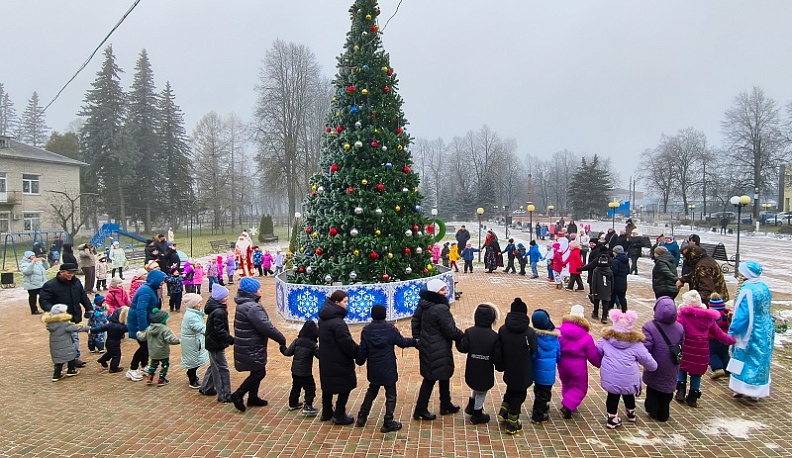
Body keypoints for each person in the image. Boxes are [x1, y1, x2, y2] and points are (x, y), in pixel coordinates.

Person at [355, 304, 417, 432]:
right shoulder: (390, 329)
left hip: (374, 367)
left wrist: (360, 361)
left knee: (372, 391)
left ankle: (362, 416)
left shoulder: (366, 330)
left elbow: (363, 349)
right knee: (391, 395)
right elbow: (402, 342)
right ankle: (388, 421)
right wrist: (415, 341)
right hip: (388, 366)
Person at [231, 277, 286, 412]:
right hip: (251, 345)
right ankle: (238, 394)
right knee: (258, 372)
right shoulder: (252, 307)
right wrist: (281, 339)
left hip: (248, 343)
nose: (260, 290)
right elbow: (266, 327)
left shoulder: (244, 304)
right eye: (258, 288)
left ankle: (253, 397)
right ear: (252, 292)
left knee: (257, 370)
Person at [412, 279, 463, 421]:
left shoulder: (423, 304)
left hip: (428, 345)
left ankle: (445, 404)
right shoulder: (440, 308)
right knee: (430, 379)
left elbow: (415, 322)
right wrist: (463, 337)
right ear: (434, 292)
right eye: (442, 290)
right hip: (438, 347)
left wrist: (418, 340)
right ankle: (420, 410)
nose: (445, 292)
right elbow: (451, 330)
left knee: (442, 375)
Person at [597, 310, 658, 429]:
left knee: (612, 396)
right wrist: (653, 367)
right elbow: (646, 359)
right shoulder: (636, 343)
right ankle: (631, 412)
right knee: (628, 393)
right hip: (629, 377)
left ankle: (612, 418)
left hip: (611, 376)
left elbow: (598, 350)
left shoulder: (605, 340)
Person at [675, 290, 735, 407]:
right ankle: (693, 396)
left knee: (682, 368)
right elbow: (718, 333)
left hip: (687, 348)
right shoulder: (707, 318)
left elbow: (677, 332)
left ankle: (680, 390)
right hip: (702, 351)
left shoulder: (682, 316)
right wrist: (731, 340)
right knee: (696, 373)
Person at [729, 261, 775, 400]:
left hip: (750, 330)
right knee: (761, 359)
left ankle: (743, 388)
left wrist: (732, 331)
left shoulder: (747, 290)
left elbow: (743, 315)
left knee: (743, 357)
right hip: (766, 328)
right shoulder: (763, 287)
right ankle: (757, 391)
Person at [495, 298, 537, 435]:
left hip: (509, 367)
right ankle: (513, 419)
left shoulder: (503, 329)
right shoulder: (529, 332)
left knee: (511, 387)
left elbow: (498, 349)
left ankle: (504, 410)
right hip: (524, 368)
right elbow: (534, 350)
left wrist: (500, 365)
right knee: (520, 393)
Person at [39, 263, 93, 368]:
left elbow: (83, 296)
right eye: (69, 272)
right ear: (61, 272)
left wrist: (89, 308)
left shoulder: (76, 282)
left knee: (74, 338)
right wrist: (55, 312)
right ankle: (67, 360)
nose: (71, 275)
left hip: (74, 315)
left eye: (73, 272)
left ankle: (73, 358)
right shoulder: (50, 285)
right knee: (65, 340)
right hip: (60, 319)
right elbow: (44, 301)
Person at [319, 290, 359, 424]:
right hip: (339, 360)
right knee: (345, 386)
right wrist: (357, 352)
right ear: (336, 303)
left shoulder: (323, 319)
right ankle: (339, 413)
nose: (347, 304)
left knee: (328, 386)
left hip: (326, 359)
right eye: (345, 302)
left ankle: (326, 412)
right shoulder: (338, 323)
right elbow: (346, 343)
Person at [641, 296, 684, 422]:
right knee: (667, 388)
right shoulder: (679, 327)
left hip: (655, 363)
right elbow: (682, 344)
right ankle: (663, 412)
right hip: (672, 363)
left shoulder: (650, 326)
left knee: (653, 388)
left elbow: (646, 347)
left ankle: (652, 409)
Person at [457, 303, 499, 425]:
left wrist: (458, 339)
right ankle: (477, 413)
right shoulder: (494, 336)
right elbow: (497, 355)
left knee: (477, 386)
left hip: (472, 367)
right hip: (485, 369)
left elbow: (463, 348)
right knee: (482, 390)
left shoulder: (470, 332)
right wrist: (500, 365)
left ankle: (471, 405)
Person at [558, 305, 602, 419]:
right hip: (578, 366)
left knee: (566, 383)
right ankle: (568, 405)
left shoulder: (559, 331)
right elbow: (593, 355)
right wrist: (599, 363)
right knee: (579, 387)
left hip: (562, 364)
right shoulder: (586, 337)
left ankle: (567, 399)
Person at [126, 269, 167, 382]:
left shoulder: (153, 289)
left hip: (148, 322)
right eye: (161, 280)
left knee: (147, 346)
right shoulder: (145, 291)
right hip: (139, 323)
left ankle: (144, 366)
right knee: (144, 346)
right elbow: (141, 310)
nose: (163, 282)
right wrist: (143, 328)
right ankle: (132, 369)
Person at [200, 285, 235, 402]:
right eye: (226, 296)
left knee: (214, 365)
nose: (227, 297)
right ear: (221, 297)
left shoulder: (215, 307)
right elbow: (220, 330)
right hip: (216, 343)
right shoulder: (219, 311)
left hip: (213, 342)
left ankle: (206, 387)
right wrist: (231, 339)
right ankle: (224, 394)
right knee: (221, 368)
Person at [280, 320, 319, 416]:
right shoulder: (312, 345)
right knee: (310, 388)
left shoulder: (297, 341)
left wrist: (282, 347)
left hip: (295, 371)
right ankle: (308, 406)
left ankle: (293, 404)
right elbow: (320, 356)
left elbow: (287, 353)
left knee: (296, 387)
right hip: (305, 372)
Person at [43, 304, 89, 381]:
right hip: (67, 344)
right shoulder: (64, 324)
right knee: (71, 356)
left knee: (58, 360)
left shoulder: (51, 324)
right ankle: (71, 370)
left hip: (55, 345)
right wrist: (87, 328)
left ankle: (56, 375)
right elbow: (75, 327)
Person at [137, 308, 181, 386]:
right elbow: (170, 340)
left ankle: (150, 377)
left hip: (153, 352)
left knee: (153, 365)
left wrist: (138, 333)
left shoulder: (149, 328)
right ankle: (161, 379)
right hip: (163, 352)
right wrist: (179, 340)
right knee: (165, 365)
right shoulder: (165, 329)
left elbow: (143, 337)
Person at [531, 309, 560, 424]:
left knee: (539, 391)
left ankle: (539, 412)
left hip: (537, 371)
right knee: (545, 392)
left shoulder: (535, 338)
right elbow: (558, 354)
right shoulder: (554, 339)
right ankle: (539, 414)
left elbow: (533, 355)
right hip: (549, 372)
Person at [181, 293, 209, 389]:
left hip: (194, 340)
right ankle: (192, 379)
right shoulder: (191, 316)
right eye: (198, 303)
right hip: (192, 342)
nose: (201, 304)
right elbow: (200, 327)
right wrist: (210, 333)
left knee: (195, 360)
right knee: (193, 362)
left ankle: (192, 375)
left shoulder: (194, 313)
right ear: (193, 304)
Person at [93, 306, 129, 374]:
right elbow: (130, 328)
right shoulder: (121, 326)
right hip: (115, 343)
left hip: (109, 342)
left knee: (110, 353)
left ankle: (102, 360)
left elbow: (100, 329)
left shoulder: (110, 324)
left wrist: (91, 330)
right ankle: (113, 368)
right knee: (117, 355)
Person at [707, 293, 732, 379]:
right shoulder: (726, 313)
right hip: (725, 338)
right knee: (724, 353)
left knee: (712, 353)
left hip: (713, 339)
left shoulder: (711, 315)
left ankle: (718, 368)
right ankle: (728, 369)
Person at [21, 250, 49, 314]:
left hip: (41, 283)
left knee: (44, 297)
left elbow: (46, 267)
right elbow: (27, 272)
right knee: (33, 297)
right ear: (28, 257)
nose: (34, 257)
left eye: (34, 255)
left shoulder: (38, 263)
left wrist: (45, 261)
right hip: (32, 284)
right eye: (32, 256)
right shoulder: (24, 264)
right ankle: (34, 310)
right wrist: (32, 263)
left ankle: (46, 309)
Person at [611, 245, 630, 313]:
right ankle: (624, 311)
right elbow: (628, 271)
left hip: (615, 282)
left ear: (616, 252)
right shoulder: (626, 260)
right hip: (623, 282)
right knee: (622, 298)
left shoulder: (615, 261)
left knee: (612, 298)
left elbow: (614, 272)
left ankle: (610, 311)